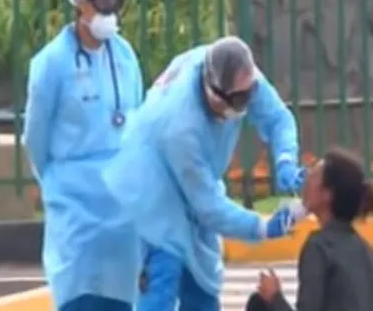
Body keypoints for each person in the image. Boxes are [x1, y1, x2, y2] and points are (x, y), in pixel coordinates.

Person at [102, 36, 307, 311]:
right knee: (164, 273)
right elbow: (208, 207)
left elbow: (277, 118)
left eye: (248, 97)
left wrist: (285, 159)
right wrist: (260, 227)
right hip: (150, 189)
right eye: (237, 100)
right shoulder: (181, 126)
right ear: (213, 92)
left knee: (202, 283)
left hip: (194, 182)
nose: (244, 106)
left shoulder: (239, 74)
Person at [22, 0, 144, 311]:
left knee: (121, 297)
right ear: (81, 1)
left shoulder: (124, 56)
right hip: (75, 207)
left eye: (116, 2)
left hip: (122, 211)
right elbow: (36, 137)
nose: (109, 10)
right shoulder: (51, 64)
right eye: (102, 1)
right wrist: (56, 182)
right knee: (80, 295)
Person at [249, 146, 373, 311]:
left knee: (260, 303)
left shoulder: (319, 247)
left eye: (313, 176)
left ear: (327, 194)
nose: (305, 181)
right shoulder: (367, 251)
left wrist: (274, 297)